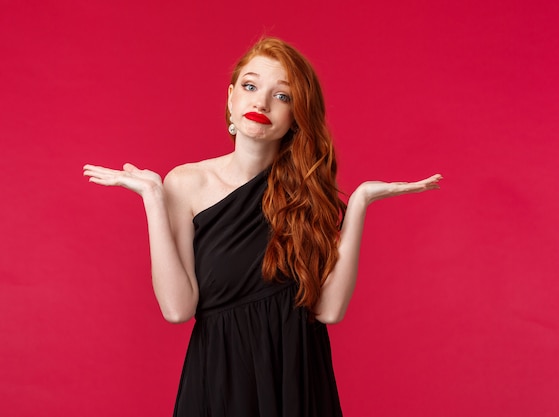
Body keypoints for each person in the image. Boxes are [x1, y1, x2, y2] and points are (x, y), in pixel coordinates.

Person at [83, 37, 441, 417]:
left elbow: (330, 311)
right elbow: (177, 309)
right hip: (220, 382)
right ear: (230, 98)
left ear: (296, 116)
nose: (261, 103)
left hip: (298, 381)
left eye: (282, 96)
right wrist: (153, 199)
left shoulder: (308, 195)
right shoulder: (185, 184)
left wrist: (360, 203)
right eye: (250, 86)